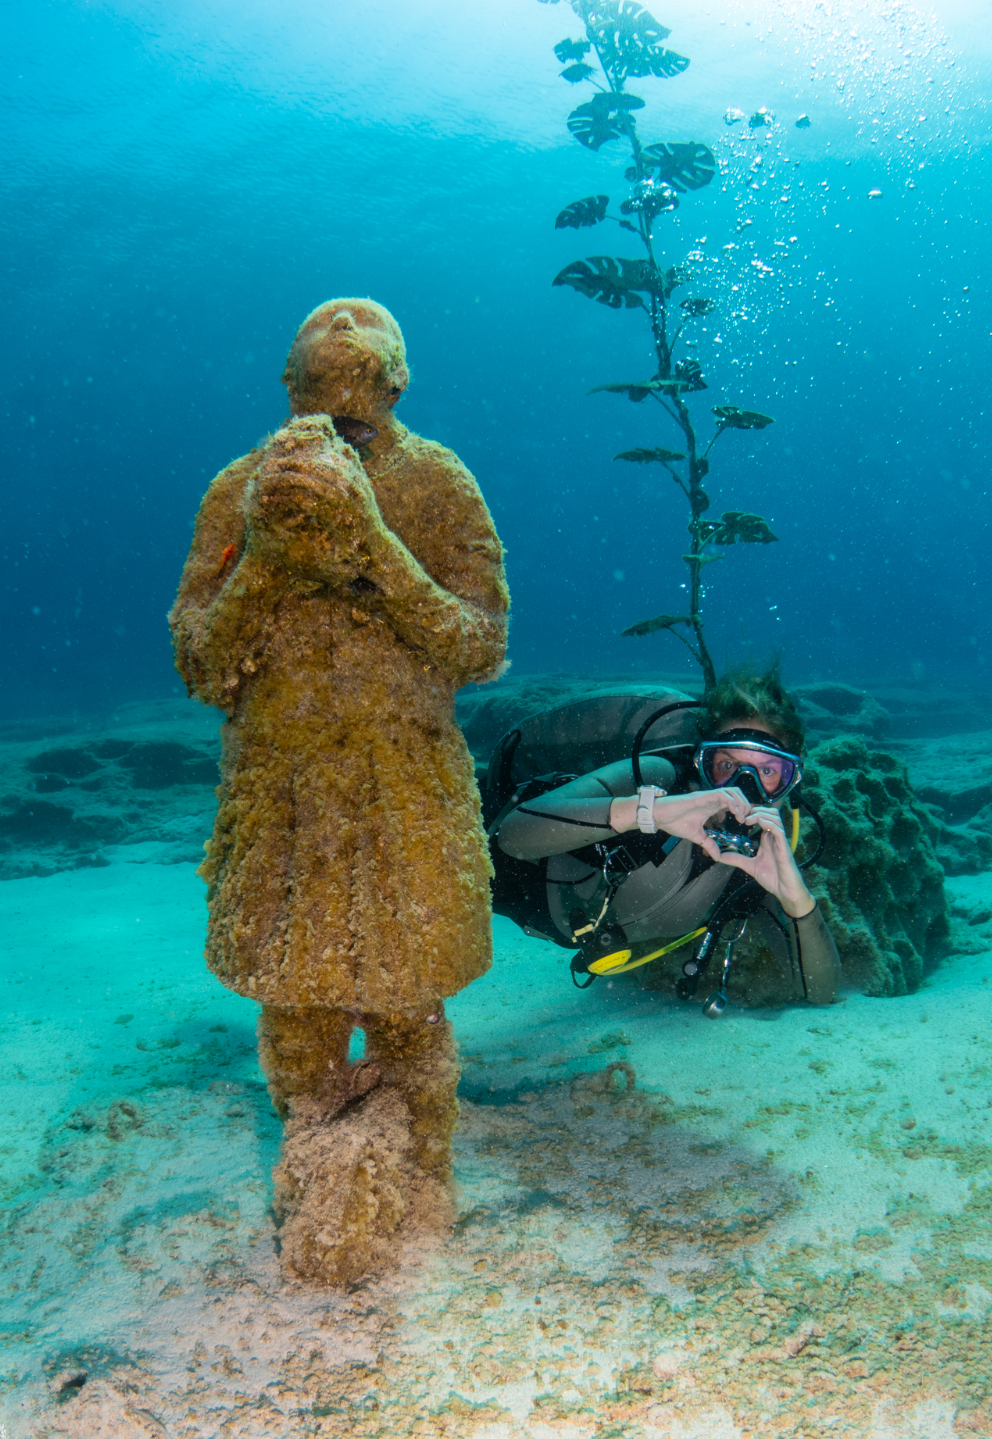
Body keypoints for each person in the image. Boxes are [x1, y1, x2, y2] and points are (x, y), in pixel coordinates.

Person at [170, 298, 509, 1284]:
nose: (344, 432)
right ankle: (314, 1161)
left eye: (362, 416)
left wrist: (374, 541)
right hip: (282, 799)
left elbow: (479, 645)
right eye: (327, 410)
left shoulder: (439, 483)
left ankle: (430, 1174)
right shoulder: (244, 491)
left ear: (398, 387)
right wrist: (265, 560)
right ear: (288, 388)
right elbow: (202, 662)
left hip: (406, 793)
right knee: (295, 1009)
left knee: (411, 1007)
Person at [491, 670, 840, 1009]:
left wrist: (796, 900)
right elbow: (511, 835)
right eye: (727, 765)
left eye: (766, 772)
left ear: (789, 783)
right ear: (703, 763)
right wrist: (649, 812)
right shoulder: (659, 779)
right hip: (500, 872)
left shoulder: (758, 866)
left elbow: (818, 990)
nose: (742, 788)